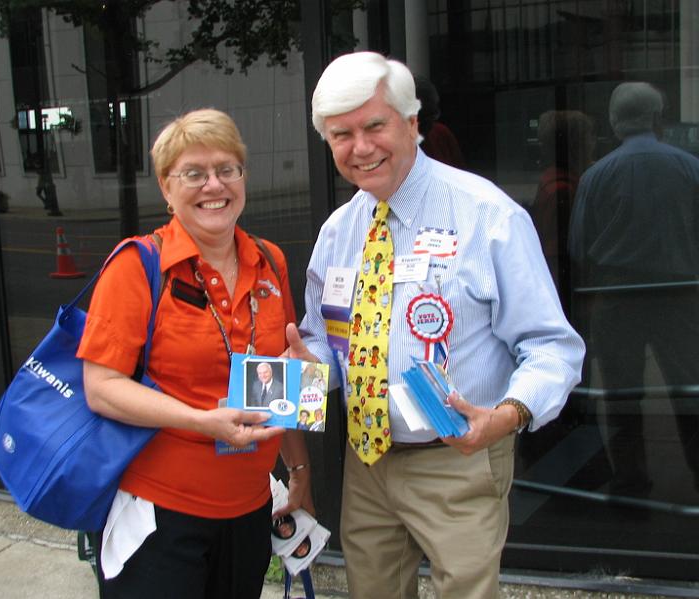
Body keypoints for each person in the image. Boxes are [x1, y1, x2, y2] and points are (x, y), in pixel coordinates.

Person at [286, 52, 584, 599]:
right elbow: (329, 348)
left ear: (412, 122)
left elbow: (551, 348)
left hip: (459, 459)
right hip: (367, 460)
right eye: (341, 135)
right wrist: (305, 372)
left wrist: (508, 416)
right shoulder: (338, 232)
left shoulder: (486, 216)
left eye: (375, 125)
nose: (361, 147)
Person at [77, 108, 312, 599]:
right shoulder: (137, 266)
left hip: (249, 510)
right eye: (194, 173)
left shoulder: (269, 261)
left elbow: (279, 377)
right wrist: (202, 421)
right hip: (160, 514)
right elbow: (101, 390)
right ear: (167, 188)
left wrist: (299, 471)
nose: (214, 185)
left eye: (228, 169)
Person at [569, 82, 699, 496]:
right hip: (679, 293)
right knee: (689, 389)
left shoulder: (597, 174)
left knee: (622, 393)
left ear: (614, 122)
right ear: (658, 117)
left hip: (617, 296)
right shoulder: (688, 167)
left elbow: (577, 245)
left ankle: (631, 476)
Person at [530, 109, 595, 308]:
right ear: (576, 145)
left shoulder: (555, 180)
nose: (594, 143)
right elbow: (557, 252)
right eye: (589, 137)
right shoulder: (562, 189)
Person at [413, 75, 465, 169]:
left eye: (432, 116)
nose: (427, 125)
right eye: (422, 118)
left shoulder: (440, 134)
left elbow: (460, 175)